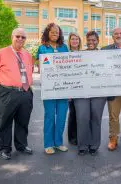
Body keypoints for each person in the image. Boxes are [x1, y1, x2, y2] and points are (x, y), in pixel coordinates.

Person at [0, 28, 34, 160]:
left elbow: (29, 71)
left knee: (23, 121)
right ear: (12, 37)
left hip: (25, 92)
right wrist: (4, 86)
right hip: (7, 92)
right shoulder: (1, 53)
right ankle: (5, 149)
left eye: (23, 37)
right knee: (5, 121)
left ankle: (21, 145)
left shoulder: (27, 55)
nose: (20, 39)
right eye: (18, 36)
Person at [37, 23, 69, 155]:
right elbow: (40, 67)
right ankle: (48, 144)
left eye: (57, 32)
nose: (55, 34)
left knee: (61, 116)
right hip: (49, 88)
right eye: (52, 32)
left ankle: (58, 142)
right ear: (47, 33)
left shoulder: (64, 47)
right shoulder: (42, 48)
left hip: (63, 87)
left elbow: (69, 65)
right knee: (50, 116)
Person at [74, 31, 107, 156]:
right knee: (82, 117)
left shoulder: (104, 55)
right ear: (86, 41)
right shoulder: (80, 54)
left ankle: (94, 145)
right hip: (82, 91)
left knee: (96, 117)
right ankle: (82, 145)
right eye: (89, 40)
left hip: (99, 92)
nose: (91, 42)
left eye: (94, 40)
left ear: (98, 41)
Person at [67, 32, 82, 146]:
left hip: (82, 88)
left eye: (77, 39)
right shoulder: (65, 54)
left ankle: (79, 135)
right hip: (70, 88)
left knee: (80, 114)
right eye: (73, 39)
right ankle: (72, 137)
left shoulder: (83, 54)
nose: (75, 41)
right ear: (70, 41)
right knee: (73, 113)